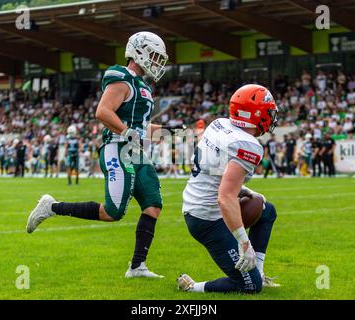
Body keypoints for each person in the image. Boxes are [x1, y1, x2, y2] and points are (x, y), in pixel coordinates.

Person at [26, 31, 178, 279]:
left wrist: (171, 132)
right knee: (113, 212)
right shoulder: (122, 77)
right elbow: (103, 112)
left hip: (135, 151)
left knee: (153, 204)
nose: (156, 62)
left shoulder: (144, 86)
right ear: (138, 52)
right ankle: (52, 207)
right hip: (118, 149)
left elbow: (141, 129)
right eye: (153, 55)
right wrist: (128, 132)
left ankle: (138, 266)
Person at [177, 84, 280, 294]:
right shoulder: (246, 144)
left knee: (266, 210)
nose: (272, 116)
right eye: (268, 111)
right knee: (249, 287)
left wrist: (242, 191)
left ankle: (258, 272)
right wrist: (244, 243)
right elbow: (225, 197)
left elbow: (214, 172)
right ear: (256, 114)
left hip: (198, 204)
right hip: (206, 218)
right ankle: (192, 287)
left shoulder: (219, 124)